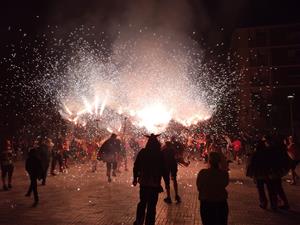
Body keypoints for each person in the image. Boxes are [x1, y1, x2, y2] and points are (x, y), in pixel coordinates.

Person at [133, 134, 169, 225]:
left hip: (144, 183)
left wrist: (135, 178)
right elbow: (164, 170)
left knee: (142, 203)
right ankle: (149, 223)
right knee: (152, 206)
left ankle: (139, 221)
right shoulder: (160, 154)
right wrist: (167, 183)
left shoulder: (143, 152)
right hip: (154, 185)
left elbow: (136, 166)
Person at [196, 151, 229, 225]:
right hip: (221, 202)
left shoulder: (203, 173)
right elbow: (225, 184)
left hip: (206, 203)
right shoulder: (224, 174)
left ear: (209, 161)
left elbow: (199, 187)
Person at [162, 138, 189, 204]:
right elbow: (178, 158)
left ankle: (169, 197)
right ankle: (176, 195)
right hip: (173, 166)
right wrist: (185, 163)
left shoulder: (163, 150)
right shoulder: (173, 150)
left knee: (167, 182)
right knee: (174, 180)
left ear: (166, 145)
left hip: (166, 168)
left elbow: (160, 159)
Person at [25, 139, 43, 207]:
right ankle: (31, 195)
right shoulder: (36, 159)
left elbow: (26, 167)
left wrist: (29, 172)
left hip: (33, 173)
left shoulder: (30, 159)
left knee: (34, 184)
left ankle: (36, 199)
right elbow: (40, 167)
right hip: (34, 173)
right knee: (33, 183)